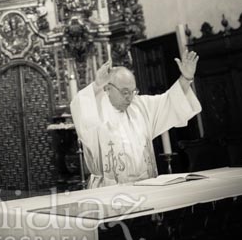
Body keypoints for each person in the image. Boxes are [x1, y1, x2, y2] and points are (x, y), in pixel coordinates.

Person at [70, 50, 201, 187]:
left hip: (146, 186)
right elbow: (79, 107)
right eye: (125, 92)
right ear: (108, 88)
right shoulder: (96, 109)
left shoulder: (141, 107)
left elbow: (170, 101)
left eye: (133, 92)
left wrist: (185, 78)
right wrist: (97, 85)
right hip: (110, 191)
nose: (130, 97)